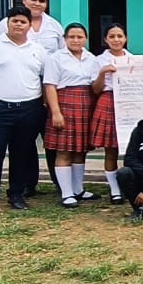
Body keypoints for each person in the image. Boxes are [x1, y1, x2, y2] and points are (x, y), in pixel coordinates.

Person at [0, 6, 48, 215]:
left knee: (21, 154)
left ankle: (16, 194)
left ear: (29, 26)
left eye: (23, 21)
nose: (18, 25)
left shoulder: (38, 50)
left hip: (29, 108)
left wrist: (42, 104)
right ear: (8, 22)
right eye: (15, 21)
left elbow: (45, 79)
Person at [43, 23, 99, 209]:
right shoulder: (55, 58)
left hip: (86, 104)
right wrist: (56, 112)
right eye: (72, 37)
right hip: (65, 103)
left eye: (80, 37)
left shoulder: (92, 58)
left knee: (80, 150)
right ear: (65, 39)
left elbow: (95, 84)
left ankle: (78, 189)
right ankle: (66, 193)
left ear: (86, 38)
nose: (76, 40)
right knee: (64, 150)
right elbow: (50, 85)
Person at [88, 23, 132, 203]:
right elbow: (95, 89)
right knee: (111, 149)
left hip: (130, 104)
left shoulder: (133, 59)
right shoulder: (99, 60)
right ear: (106, 39)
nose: (116, 40)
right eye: (112, 36)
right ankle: (115, 190)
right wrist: (102, 73)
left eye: (120, 36)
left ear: (125, 38)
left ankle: (130, 186)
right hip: (108, 100)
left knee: (132, 148)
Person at [0, 0, 64, 53]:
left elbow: (63, 51)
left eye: (41, 1)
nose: (37, 4)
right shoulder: (8, 23)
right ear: (24, 0)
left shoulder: (55, 25)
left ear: (46, 4)